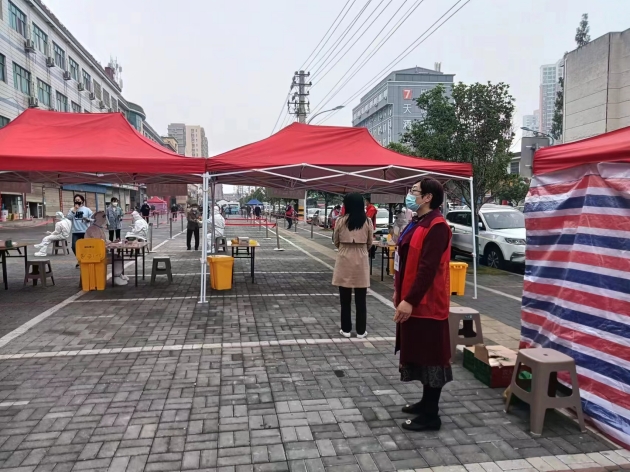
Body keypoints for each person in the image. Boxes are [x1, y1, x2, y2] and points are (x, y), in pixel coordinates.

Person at [393, 178, 452, 432]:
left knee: (432, 358)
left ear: (428, 197)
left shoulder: (437, 226)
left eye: (414, 191)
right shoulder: (419, 221)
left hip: (428, 305)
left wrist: (409, 300)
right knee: (420, 355)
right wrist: (400, 294)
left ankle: (431, 415)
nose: (410, 194)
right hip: (414, 300)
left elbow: (427, 270)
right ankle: (425, 403)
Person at [332, 193, 373, 339]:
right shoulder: (367, 221)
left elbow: (336, 240)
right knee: (361, 299)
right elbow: (370, 242)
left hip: (344, 256)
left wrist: (344, 247)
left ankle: (346, 329)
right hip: (361, 258)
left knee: (345, 299)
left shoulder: (340, 221)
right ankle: (361, 331)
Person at [67, 194, 93, 267]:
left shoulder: (87, 210)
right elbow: (69, 217)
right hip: (76, 231)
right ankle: (79, 259)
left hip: (85, 231)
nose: (77, 201)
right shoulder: (72, 209)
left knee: (86, 247)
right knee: (74, 247)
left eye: (78, 200)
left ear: (82, 201)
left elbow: (93, 219)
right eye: (76, 200)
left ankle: (86, 259)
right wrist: (74, 210)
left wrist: (88, 219)